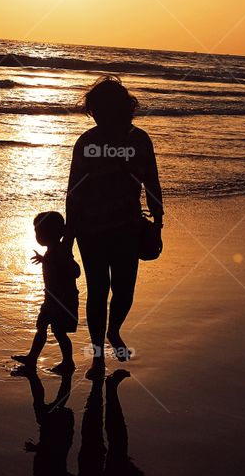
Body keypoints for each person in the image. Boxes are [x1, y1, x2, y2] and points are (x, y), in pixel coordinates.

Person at [64, 76, 163, 378]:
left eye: (102, 108)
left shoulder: (140, 139)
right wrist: (68, 237)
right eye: (95, 109)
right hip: (90, 230)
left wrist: (158, 221)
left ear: (120, 108)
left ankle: (114, 331)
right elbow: (74, 191)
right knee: (97, 291)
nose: (97, 114)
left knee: (124, 290)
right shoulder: (87, 142)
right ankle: (97, 358)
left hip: (127, 227)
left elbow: (152, 183)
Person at [12, 210, 80, 373]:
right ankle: (32, 358)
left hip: (63, 300)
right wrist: (45, 259)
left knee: (59, 331)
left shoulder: (62, 250)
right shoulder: (53, 251)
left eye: (39, 232)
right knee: (41, 326)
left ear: (52, 233)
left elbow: (75, 271)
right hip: (50, 299)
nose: (36, 235)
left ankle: (68, 362)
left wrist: (53, 262)